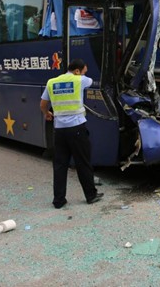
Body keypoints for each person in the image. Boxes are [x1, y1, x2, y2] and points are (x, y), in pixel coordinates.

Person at [40, 58, 103, 208]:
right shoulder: (80, 80)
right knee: (83, 162)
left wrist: (46, 113)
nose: (84, 74)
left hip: (59, 130)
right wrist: (82, 76)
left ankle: (59, 200)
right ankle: (90, 195)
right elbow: (90, 81)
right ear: (77, 71)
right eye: (83, 71)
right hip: (77, 129)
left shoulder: (51, 82)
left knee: (60, 165)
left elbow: (42, 104)